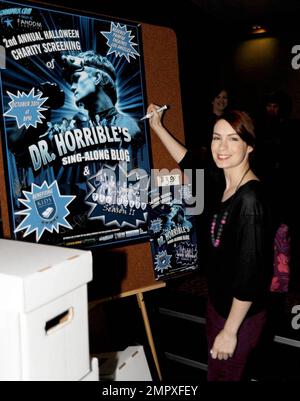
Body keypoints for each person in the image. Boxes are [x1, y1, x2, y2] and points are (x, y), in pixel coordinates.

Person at [147, 103, 274, 381]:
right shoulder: (223, 181)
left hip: (239, 317)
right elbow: (190, 162)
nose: (222, 146)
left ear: (250, 146)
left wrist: (229, 332)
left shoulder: (250, 201)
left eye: (233, 139)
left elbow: (250, 278)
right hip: (219, 304)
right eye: (217, 137)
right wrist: (157, 127)